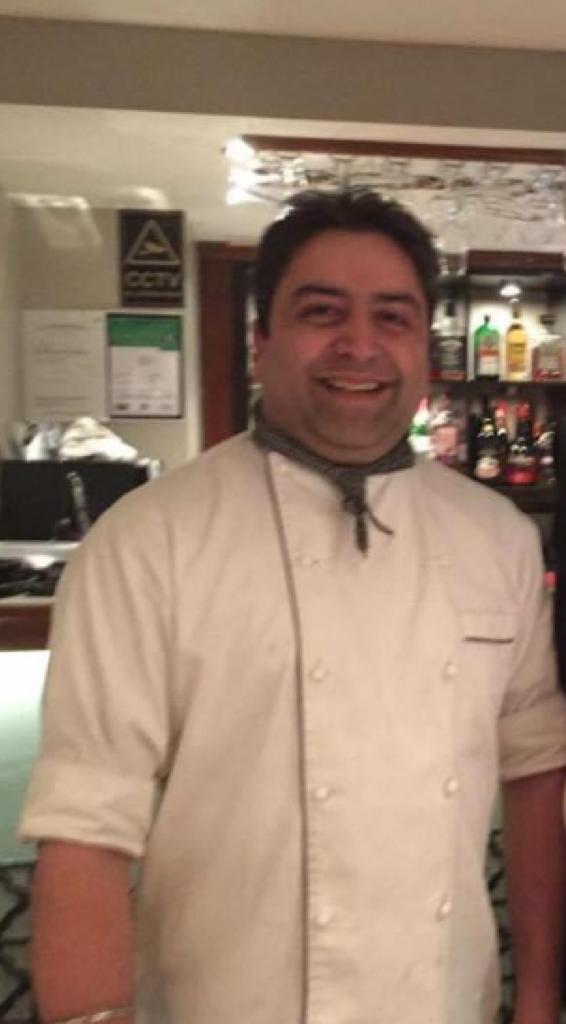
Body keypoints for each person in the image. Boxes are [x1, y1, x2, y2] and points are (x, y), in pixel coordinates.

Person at [19, 189, 566, 1024]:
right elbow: (85, 824)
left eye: (393, 317)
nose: (360, 344)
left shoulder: (499, 539)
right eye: (321, 311)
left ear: (424, 345)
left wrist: (540, 1002)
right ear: (260, 340)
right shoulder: (148, 541)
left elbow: (534, 772)